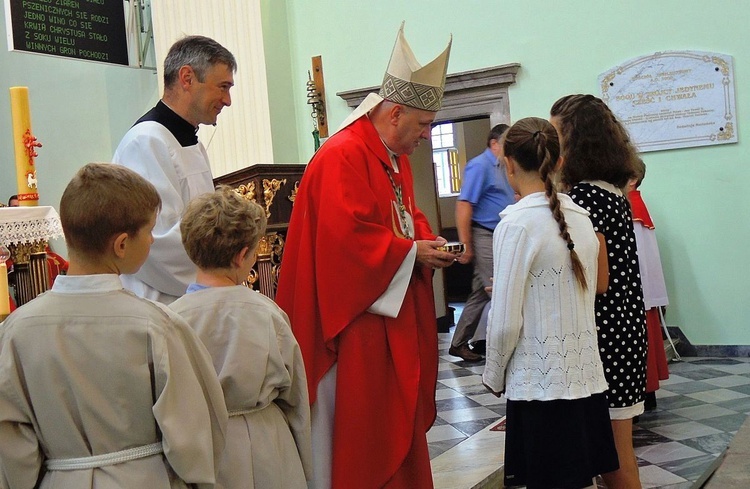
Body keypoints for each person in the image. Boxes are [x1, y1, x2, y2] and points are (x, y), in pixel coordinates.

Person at [276, 23, 454, 489]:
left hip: (386, 317)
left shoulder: (393, 156)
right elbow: (347, 246)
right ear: (394, 113)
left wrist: (425, 242)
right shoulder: (342, 156)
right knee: (365, 440)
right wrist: (412, 252)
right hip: (354, 326)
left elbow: (404, 216)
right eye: (423, 126)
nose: (425, 137)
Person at [0, 163, 227, 488]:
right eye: (149, 230)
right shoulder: (156, 325)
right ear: (121, 245)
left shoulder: (16, 331)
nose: (152, 240)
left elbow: (11, 444)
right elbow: (191, 438)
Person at [482, 117, 618, 489]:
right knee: (577, 482)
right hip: (584, 380)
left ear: (508, 164)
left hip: (540, 385)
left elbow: (507, 320)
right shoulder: (582, 218)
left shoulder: (517, 224)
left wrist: (493, 374)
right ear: (558, 162)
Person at [170, 187, 313, 488]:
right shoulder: (267, 314)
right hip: (268, 444)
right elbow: (296, 398)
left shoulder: (171, 320)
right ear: (242, 256)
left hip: (202, 449)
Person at [551, 94, 648, 489]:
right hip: (622, 329)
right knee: (613, 451)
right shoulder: (609, 189)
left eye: (557, 134)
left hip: (607, 335)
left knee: (613, 456)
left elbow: (599, 279)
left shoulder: (586, 197)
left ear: (576, 139)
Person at [113, 35, 237, 304]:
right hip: (161, 302)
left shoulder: (190, 143)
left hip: (194, 299)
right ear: (187, 78)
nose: (227, 100)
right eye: (223, 87)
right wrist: (219, 274)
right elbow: (156, 242)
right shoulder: (147, 141)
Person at [450, 123, 514, 361]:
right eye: (506, 143)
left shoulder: (503, 167)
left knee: (481, 290)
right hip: (485, 233)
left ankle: (458, 343)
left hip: (500, 234)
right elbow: (464, 203)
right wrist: (466, 244)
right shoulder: (480, 165)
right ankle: (504, 348)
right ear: (494, 143)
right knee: (496, 289)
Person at [626, 158, 669, 411]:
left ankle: (643, 394)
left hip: (638, 292)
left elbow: (637, 254)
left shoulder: (633, 207)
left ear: (632, 179)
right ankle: (647, 393)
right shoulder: (636, 205)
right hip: (643, 291)